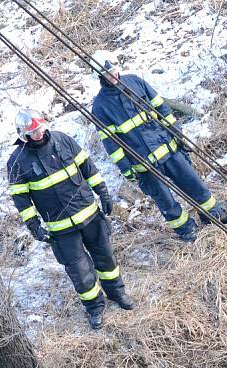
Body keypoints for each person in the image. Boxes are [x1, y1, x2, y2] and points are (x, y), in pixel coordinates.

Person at [7, 108, 134, 331]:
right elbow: (21, 198)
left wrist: (102, 192)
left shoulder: (63, 140)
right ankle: (94, 308)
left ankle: (118, 293)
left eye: (39, 128)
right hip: (61, 227)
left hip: (90, 214)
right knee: (80, 271)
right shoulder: (17, 161)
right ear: (23, 135)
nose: (38, 134)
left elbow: (88, 168)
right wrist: (33, 225)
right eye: (32, 132)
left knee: (106, 258)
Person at [89, 51, 227, 242]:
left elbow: (162, 108)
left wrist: (177, 133)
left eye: (114, 70)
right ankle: (186, 229)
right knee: (165, 200)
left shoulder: (135, 82)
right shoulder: (100, 107)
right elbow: (111, 143)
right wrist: (126, 168)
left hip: (168, 147)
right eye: (107, 73)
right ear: (99, 76)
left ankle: (213, 213)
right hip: (143, 163)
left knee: (192, 182)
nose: (113, 76)